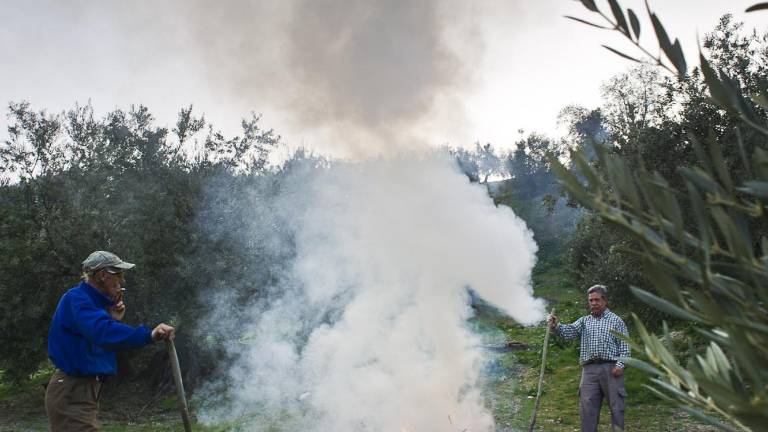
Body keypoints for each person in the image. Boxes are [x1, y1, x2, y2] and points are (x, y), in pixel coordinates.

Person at [45, 250, 175, 432]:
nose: (121, 281)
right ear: (102, 275)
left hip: (81, 389)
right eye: (118, 274)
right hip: (73, 390)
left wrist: (111, 318)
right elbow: (103, 332)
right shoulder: (77, 299)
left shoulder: (91, 304)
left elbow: (95, 338)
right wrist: (148, 335)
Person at [548, 284, 630, 432]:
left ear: (605, 301)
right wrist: (556, 326)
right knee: (587, 409)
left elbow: (625, 346)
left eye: (597, 300)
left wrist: (620, 364)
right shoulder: (584, 321)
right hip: (589, 370)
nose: (593, 303)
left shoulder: (616, 321)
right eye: (591, 300)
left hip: (611, 369)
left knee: (617, 408)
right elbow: (569, 332)